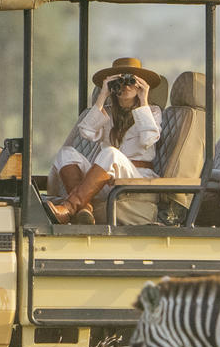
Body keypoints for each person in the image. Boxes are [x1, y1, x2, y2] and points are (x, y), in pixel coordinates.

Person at [44, 57, 163, 223]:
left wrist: (143, 99)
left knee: (111, 153)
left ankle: (70, 207)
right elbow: (86, 132)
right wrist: (103, 95)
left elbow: (148, 139)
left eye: (132, 81)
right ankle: (84, 209)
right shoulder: (107, 112)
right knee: (66, 153)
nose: (127, 85)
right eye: (120, 81)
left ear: (140, 85)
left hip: (135, 178)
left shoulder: (152, 111)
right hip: (106, 180)